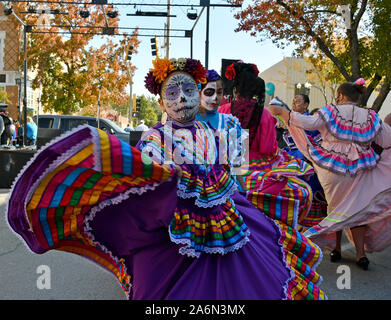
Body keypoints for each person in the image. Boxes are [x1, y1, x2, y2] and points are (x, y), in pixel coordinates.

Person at [7, 57, 326, 300]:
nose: (182, 98)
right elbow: (146, 178)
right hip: (172, 236)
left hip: (227, 227)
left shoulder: (220, 130)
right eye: (172, 92)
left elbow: (236, 175)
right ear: (161, 102)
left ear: (199, 93)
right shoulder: (155, 138)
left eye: (190, 90)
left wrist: (249, 195)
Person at [268, 78, 391, 270]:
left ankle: (336, 249)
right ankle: (361, 254)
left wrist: (284, 112)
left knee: (335, 209)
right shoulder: (370, 116)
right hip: (361, 168)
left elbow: (307, 122)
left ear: (340, 95)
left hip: (332, 168)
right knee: (357, 209)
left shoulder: (331, 111)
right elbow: (387, 138)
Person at [218, 61, 316, 229]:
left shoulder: (223, 111)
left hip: (226, 169)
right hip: (258, 167)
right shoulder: (263, 114)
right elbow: (268, 148)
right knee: (301, 192)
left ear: (235, 88)